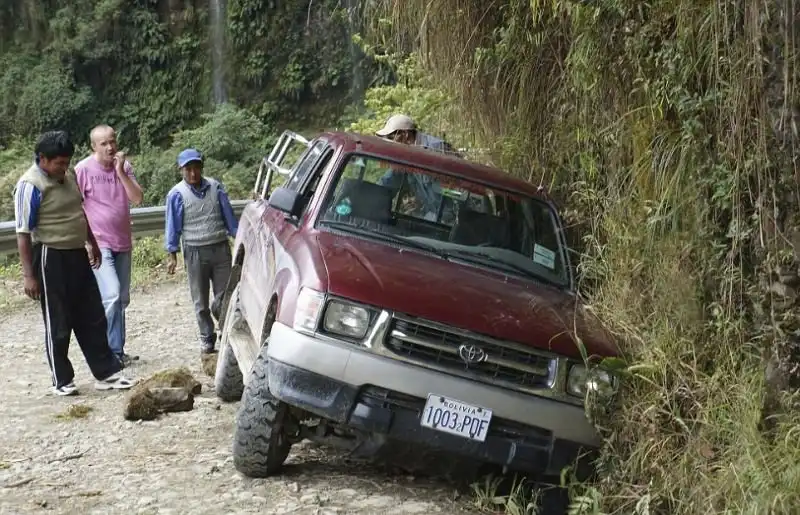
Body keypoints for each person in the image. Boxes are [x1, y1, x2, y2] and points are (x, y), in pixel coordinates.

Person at [13, 130, 136, 396]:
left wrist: (91, 242)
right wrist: (28, 276)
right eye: (59, 163)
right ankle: (62, 380)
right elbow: (23, 233)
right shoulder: (30, 185)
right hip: (50, 255)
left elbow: (79, 211)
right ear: (43, 159)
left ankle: (106, 372)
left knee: (92, 313)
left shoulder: (69, 176)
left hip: (77, 252)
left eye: (67, 162)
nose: (64, 167)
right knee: (58, 319)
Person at [75, 124, 144, 368]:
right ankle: (107, 353)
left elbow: (137, 198)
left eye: (112, 141)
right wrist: (86, 242)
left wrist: (120, 172)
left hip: (123, 241)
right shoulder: (83, 169)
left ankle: (117, 350)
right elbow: (75, 207)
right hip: (99, 242)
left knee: (121, 299)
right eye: (103, 143)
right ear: (93, 146)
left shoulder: (124, 166)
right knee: (112, 295)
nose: (110, 147)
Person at [164, 148, 238, 354]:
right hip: (195, 251)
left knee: (225, 296)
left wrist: (241, 239)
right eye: (188, 169)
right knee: (200, 300)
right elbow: (172, 226)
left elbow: (230, 219)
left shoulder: (216, 187)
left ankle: (226, 332)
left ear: (202, 167)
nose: (193, 173)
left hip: (220, 248)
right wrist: (172, 254)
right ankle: (207, 336)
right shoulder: (177, 194)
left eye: (196, 167)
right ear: (181, 170)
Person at [375, 114, 459, 221]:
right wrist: (370, 195)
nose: (390, 143)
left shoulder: (436, 148)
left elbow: (462, 184)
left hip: (452, 218)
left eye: (391, 137)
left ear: (405, 135)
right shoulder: (405, 155)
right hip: (433, 216)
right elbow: (387, 182)